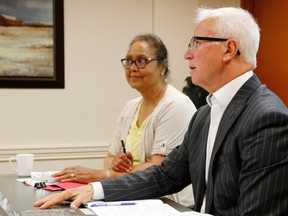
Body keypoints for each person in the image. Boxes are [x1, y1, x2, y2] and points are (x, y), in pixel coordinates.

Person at [34, 7, 288, 216]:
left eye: (196, 43)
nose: (187, 54)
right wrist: (95, 190)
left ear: (229, 50)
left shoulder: (265, 117)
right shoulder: (206, 114)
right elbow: (165, 176)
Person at [50, 33, 196, 207]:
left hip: (170, 204)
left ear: (163, 66)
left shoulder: (176, 106)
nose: (132, 68)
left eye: (141, 61)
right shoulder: (131, 107)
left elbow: (158, 170)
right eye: (128, 61)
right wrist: (117, 163)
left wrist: (103, 174)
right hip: (134, 198)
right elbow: (109, 159)